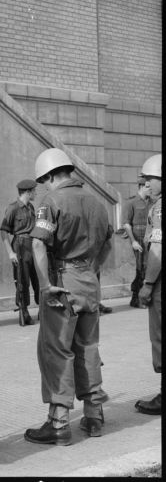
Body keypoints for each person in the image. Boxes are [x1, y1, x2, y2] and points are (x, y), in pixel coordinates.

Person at [24, 148, 112, 445]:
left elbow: (38, 244)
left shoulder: (51, 200)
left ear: (50, 175)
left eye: (44, 180)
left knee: (57, 351)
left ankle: (59, 423)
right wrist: (92, 269)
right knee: (89, 348)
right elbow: (108, 242)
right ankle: (94, 415)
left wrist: (46, 284)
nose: (45, 186)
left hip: (63, 282)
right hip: (89, 280)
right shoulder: (97, 202)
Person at [134, 154, 161, 415]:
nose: (147, 184)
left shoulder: (160, 208)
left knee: (160, 337)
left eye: (151, 178)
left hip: (160, 283)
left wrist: (148, 283)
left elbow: (158, 249)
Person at [0, 179, 40, 326]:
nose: (36, 193)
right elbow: (3, 231)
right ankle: (24, 312)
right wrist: (10, 252)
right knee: (22, 281)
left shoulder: (31, 207)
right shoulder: (13, 208)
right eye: (34, 191)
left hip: (33, 245)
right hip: (20, 245)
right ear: (28, 192)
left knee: (38, 278)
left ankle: (42, 311)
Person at [122, 175, 152, 308]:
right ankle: (137, 298)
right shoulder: (131, 202)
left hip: (150, 240)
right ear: (141, 186)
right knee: (141, 268)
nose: (150, 189)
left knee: (148, 268)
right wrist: (133, 241)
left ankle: (138, 297)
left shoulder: (152, 202)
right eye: (147, 187)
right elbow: (127, 224)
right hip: (138, 241)